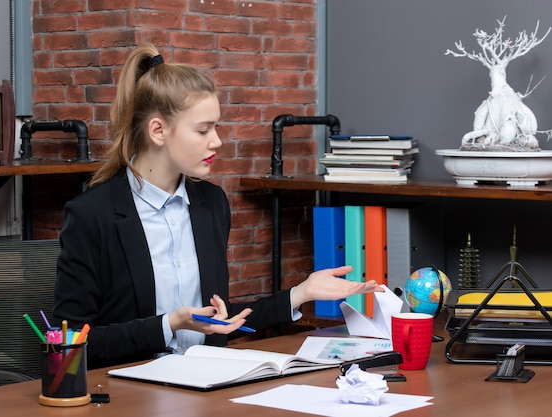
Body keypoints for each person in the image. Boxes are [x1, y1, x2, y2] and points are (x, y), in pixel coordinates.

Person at [53, 42, 384, 370]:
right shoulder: (92, 214)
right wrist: (169, 324)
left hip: (206, 384)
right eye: (203, 130)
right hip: (127, 395)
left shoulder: (210, 203)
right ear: (158, 131)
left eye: (216, 127)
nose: (217, 141)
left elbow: (219, 316)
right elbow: (70, 344)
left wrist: (300, 293)